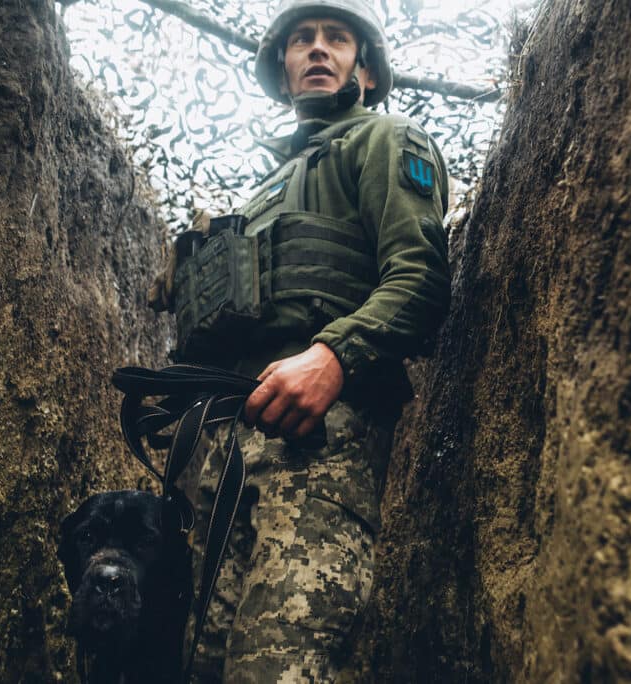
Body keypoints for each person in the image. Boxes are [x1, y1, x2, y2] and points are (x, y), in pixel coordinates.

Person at [148, 0, 451, 680]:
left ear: (364, 71)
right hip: (223, 456)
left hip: (317, 446)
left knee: (281, 666)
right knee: (200, 667)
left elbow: (422, 278)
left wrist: (335, 355)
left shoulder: (385, 141)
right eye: (302, 40)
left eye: (335, 38)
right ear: (282, 73)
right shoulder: (259, 195)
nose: (317, 49)